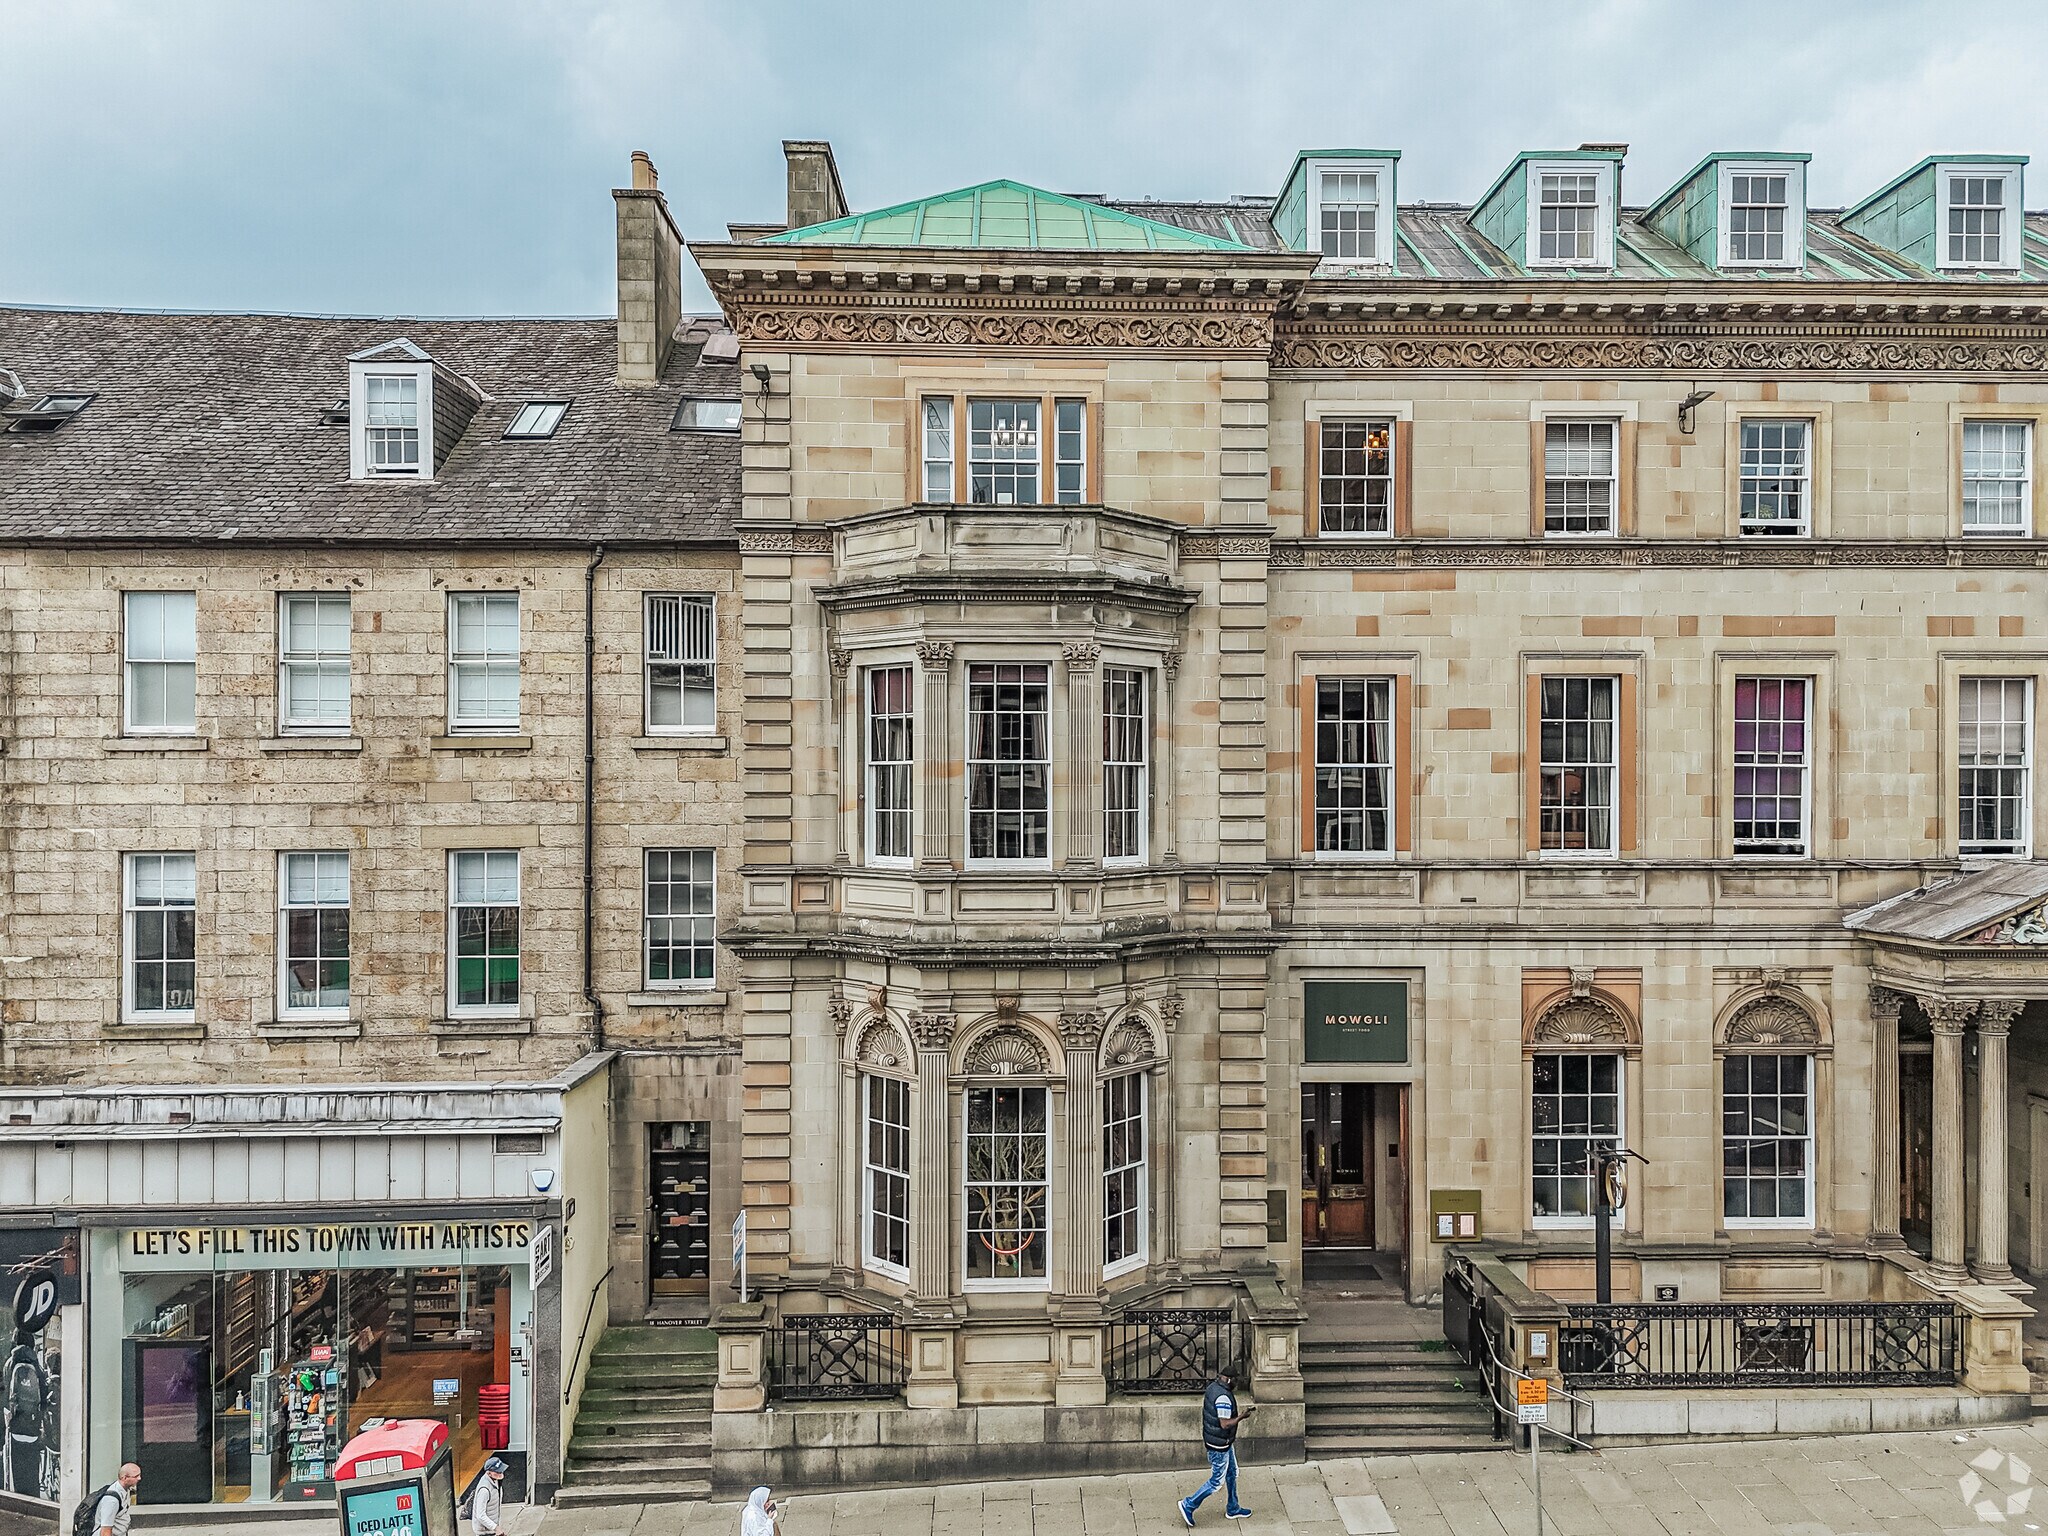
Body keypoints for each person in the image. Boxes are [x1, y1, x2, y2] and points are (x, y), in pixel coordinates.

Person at [1177, 1367, 1253, 1526]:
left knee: (1232, 1472)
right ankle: (1189, 1504)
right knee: (1216, 1482)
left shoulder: (1213, 1387)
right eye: (1236, 1380)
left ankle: (1233, 1507)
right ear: (1229, 1379)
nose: (1237, 1383)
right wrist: (1242, 1416)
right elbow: (1224, 1424)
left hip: (1222, 1442)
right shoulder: (1223, 1397)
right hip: (1219, 1445)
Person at [91, 1462, 141, 1536]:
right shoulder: (111, 1500)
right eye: (136, 1476)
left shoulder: (126, 1489)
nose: (139, 1478)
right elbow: (105, 1531)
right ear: (125, 1478)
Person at [469, 1456, 507, 1535]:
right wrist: (496, 1528)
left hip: (491, 1530)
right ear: (489, 1473)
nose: (500, 1473)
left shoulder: (495, 1481)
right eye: (497, 1472)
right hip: (485, 1532)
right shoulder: (484, 1491)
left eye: (501, 1470)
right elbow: (480, 1515)